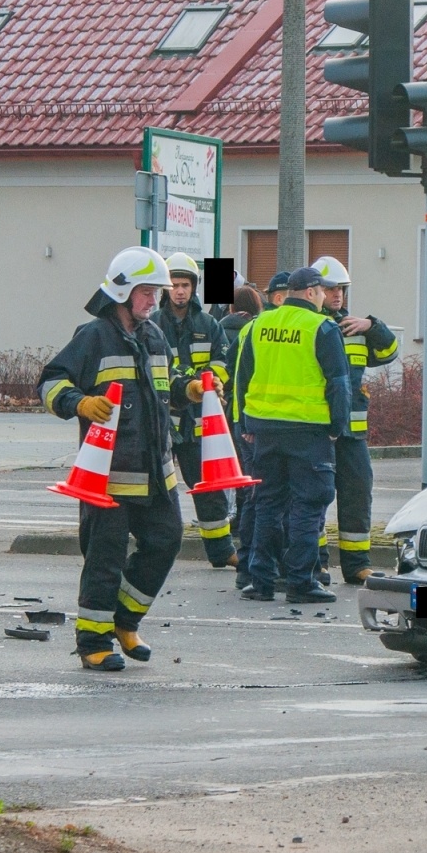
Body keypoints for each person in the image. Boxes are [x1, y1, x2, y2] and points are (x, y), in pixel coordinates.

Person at [38, 247, 185, 672]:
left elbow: (162, 387)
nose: (154, 300)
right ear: (121, 291)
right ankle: (93, 642)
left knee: (166, 541)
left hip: (156, 472)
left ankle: (125, 621)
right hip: (108, 476)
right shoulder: (93, 336)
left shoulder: (154, 335)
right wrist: (79, 403)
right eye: (146, 292)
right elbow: (50, 381)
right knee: (105, 558)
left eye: (156, 292)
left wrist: (186, 392)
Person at [233, 266, 350, 604]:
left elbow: (243, 378)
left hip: (264, 429)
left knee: (268, 504)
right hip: (308, 430)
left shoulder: (259, 325)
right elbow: (338, 384)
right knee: (308, 504)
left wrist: (246, 425)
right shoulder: (322, 327)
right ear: (312, 292)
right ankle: (300, 581)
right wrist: (336, 428)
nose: (327, 296)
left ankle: (261, 580)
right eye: (324, 291)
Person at [313, 255, 399, 585]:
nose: (338, 296)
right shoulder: (313, 327)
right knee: (316, 497)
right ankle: (316, 564)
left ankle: (357, 564)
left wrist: (372, 326)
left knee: (358, 493)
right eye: (331, 289)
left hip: (353, 432)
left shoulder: (355, 328)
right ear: (316, 291)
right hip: (320, 428)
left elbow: (390, 352)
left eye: (342, 290)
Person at [153, 251, 235, 569]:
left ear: (194, 287)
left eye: (185, 284)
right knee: (158, 488)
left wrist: (212, 381)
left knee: (207, 487)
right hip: (164, 419)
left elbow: (222, 361)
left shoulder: (208, 324)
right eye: (174, 284)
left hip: (199, 420)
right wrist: (189, 383)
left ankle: (221, 551)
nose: (180, 291)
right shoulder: (154, 324)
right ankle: (154, 550)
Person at [220, 284, 265, 590]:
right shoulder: (256, 331)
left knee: (248, 493)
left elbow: (231, 373)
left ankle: (247, 567)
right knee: (264, 495)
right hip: (258, 422)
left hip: (237, 419)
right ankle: (258, 566)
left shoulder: (220, 329)